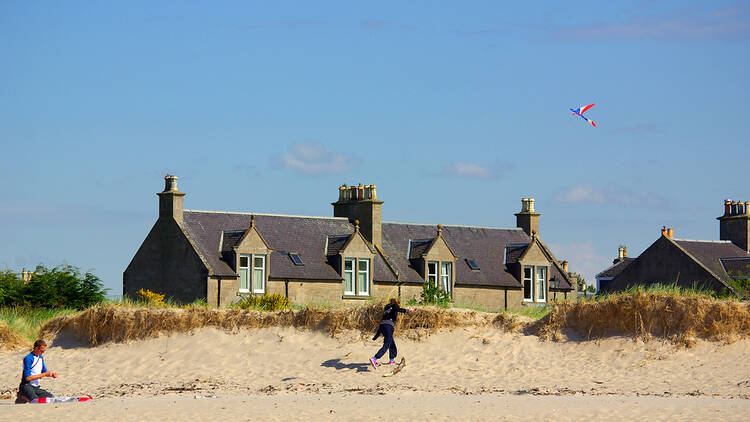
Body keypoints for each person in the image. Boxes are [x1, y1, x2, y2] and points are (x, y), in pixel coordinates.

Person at [369, 298, 414, 369]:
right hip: (388, 327)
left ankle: (391, 359)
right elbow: (399, 309)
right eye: (398, 304)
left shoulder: (386, 307)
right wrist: (409, 310)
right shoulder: (394, 305)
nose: (398, 305)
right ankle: (374, 358)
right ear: (397, 303)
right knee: (387, 344)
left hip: (382, 326)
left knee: (391, 343)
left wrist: (376, 336)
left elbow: (383, 321)